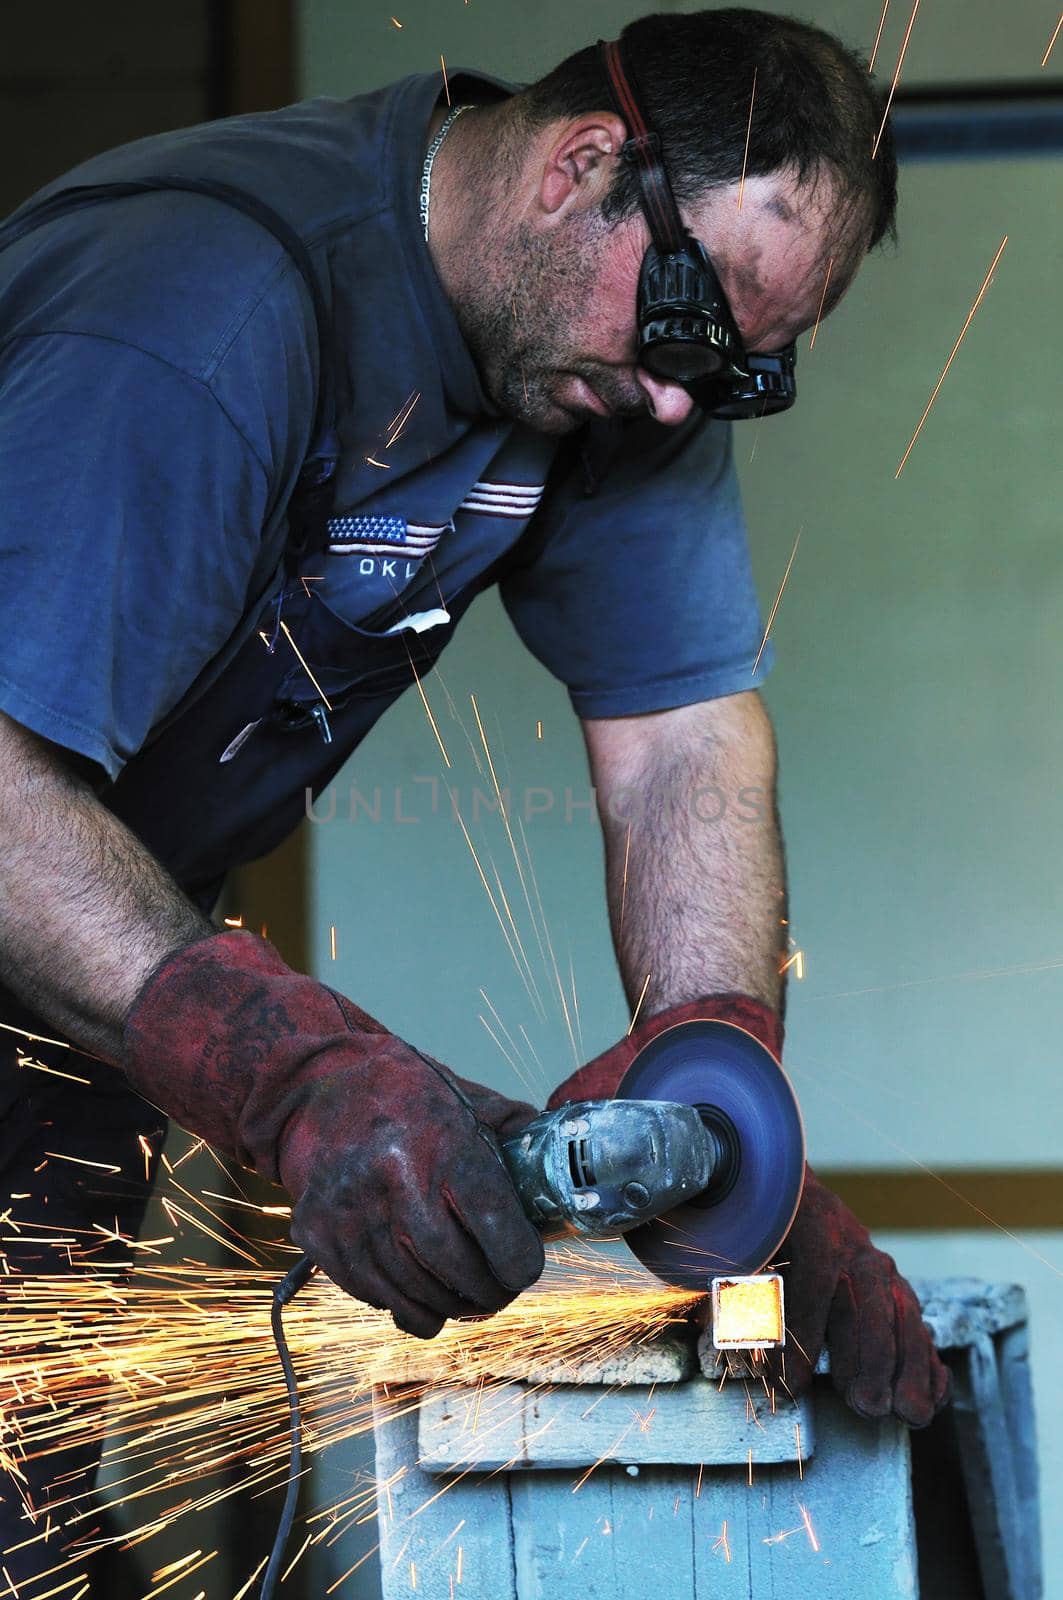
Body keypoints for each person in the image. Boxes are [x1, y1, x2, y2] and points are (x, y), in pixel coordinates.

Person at [0, 6, 948, 1575]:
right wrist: (293, 1072)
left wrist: (713, 1087)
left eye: (740, 379)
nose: (679, 406)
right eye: (687, 337)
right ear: (585, 168)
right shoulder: (204, 307)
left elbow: (682, 740)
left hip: (62, 1004)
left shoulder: (617, 375)